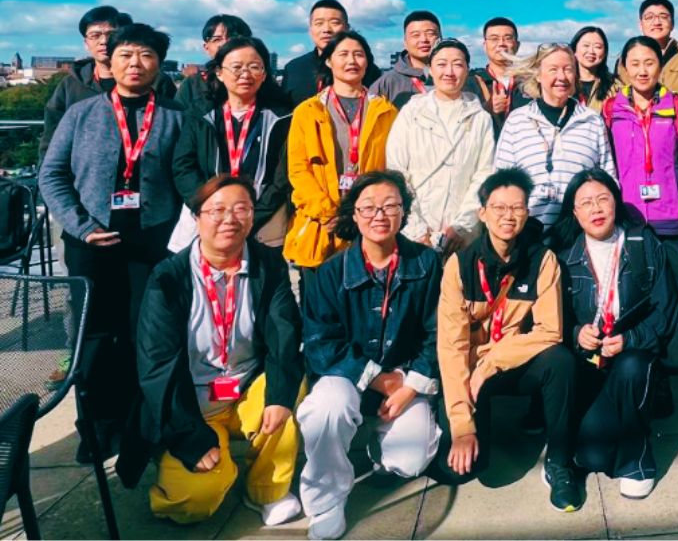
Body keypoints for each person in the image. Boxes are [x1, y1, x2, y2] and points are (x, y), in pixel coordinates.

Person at [117, 175, 304, 526]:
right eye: (217, 209)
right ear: (196, 218)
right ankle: (203, 465)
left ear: (252, 217)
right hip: (191, 403)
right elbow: (157, 366)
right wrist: (190, 437)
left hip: (246, 388)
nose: (229, 219)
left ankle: (267, 488)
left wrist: (279, 396)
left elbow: (284, 336)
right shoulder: (168, 278)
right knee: (194, 501)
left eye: (241, 209)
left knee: (287, 394)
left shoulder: (268, 265)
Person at [38, 23, 185, 461]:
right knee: (96, 337)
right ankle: (97, 428)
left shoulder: (177, 118)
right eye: (126, 55)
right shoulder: (82, 113)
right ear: (111, 61)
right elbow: (52, 174)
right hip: (92, 242)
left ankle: (142, 425)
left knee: (148, 333)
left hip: (152, 242)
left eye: (145, 56)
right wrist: (81, 225)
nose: (135, 64)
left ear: (159, 64)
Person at [298, 171, 441, 540]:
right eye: (369, 207)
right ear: (355, 214)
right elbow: (319, 343)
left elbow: (438, 333)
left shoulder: (427, 265)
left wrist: (410, 385)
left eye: (391, 205)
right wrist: (376, 377)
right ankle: (326, 500)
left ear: (404, 213)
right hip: (346, 375)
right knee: (326, 409)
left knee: (408, 461)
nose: (380, 215)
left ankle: (378, 449)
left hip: (404, 378)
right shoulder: (329, 273)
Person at [433, 168, 582, 512]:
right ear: (482, 213)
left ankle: (560, 464)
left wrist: (493, 362)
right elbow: (451, 347)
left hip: (512, 365)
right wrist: (461, 425)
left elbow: (550, 331)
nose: (508, 216)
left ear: (527, 212)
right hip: (470, 373)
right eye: (498, 208)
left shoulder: (542, 260)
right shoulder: (460, 266)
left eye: (517, 208)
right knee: (470, 470)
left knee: (560, 361)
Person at [550, 168, 676, 500]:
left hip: (630, 356)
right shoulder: (564, 257)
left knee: (634, 366)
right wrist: (576, 333)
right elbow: (551, 320)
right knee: (592, 457)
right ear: (574, 213)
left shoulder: (641, 243)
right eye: (586, 203)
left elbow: (666, 307)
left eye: (603, 199)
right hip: (589, 363)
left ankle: (638, 459)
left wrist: (632, 339)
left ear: (616, 203)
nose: (596, 209)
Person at [604, 36, 678, 403]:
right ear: (624, 68)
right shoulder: (611, 109)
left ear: (660, 65)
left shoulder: (677, 106)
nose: (643, 69)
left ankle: (675, 362)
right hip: (631, 223)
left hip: (672, 221)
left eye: (649, 61)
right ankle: (648, 376)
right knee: (639, 300)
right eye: (635, 63)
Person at [283, 31, 398, 276]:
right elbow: (298, 170)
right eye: (343, 54)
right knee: (319, 305)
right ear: (328, 61)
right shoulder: (308, 111)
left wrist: (369, 211)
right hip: (321, 226)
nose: (351, 61)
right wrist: (330, 215)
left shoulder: (385, 111)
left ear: (367, 61)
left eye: (359, 54)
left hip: (371, 223)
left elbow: (393, 167)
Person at [172, 37, 291, 249]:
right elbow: (183, 166)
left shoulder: (282, 118)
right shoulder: (200, 114)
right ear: (219, 72)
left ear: (264, 74)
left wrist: (254, 214)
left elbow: (283, 177)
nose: (245, 74)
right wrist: (206, 207)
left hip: (263, 221)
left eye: (254, 67)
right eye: (236, 67)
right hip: (207, 216)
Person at [386, 38, 495, 256]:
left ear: (467, 69)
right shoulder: (411, 112)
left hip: (461, 235)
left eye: (457, 64)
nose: (449, 71)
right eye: (442, 64)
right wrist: (415, 228)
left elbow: (484, 174)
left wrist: (462, 226)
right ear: (430, 69)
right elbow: (397, 170)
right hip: (415, 231)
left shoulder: (480, 117)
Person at [495, 44, 616, 229]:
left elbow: (609, 178)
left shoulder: (592, 121)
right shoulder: (517, 121)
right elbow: (501, 181)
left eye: (568, 69)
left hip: (580, 235)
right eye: (553, 70)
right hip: (529, 234)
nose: (561, 77)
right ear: (538, 75)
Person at [40, 6, 176, 158]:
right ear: (86, 43)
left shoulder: (157, 81)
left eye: (111, 34)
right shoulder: (71, 85)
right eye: (95, 35)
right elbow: (51, 139)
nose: (103, 41)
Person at [281, 0, 381, 107]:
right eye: (319, 23)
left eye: (335, 23)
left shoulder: (365, 69)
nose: (326, 29)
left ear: (347, 28)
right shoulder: (293, 69)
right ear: (310, 30)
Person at [615, 0, 678, 107]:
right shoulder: (626, 58)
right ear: (640, 24)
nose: (656, 22)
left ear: (672, 24)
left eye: (663, 17)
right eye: (649, 17)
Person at [370, 10, 443, 109]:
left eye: (430, 34)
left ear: (441, 39)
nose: (424, 40)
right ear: (405, 43)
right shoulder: (386, 83)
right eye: (416, 35)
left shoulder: (455, 77)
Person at [469, 17, 532, 129]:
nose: (501, 43)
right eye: (494, 39)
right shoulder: (471, 82)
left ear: (517, 45)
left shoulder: (531, 83)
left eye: (507, 38)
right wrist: (486, 108)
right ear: (484, 45)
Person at [571, 26, 617, 112]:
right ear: (574, 50)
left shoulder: (615, 86)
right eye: (586, 45)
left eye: (598, 47)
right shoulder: (564, 83)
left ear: (605, 52)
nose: (591, 51)